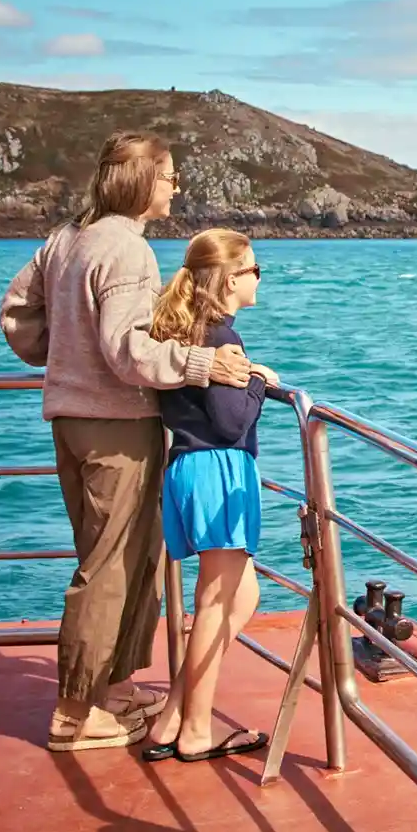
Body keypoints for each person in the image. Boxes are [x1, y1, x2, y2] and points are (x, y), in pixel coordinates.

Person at [0, 132, 253, 752]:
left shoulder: (65, 238)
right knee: (110, 566)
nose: (175, 187)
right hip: (115, 425)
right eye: (168, 177)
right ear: (142, 180)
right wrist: (202, 365)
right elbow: (127, 350)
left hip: (71, 418)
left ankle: (110, 688)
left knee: (120, 556)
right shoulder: (127, 250)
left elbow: (16, 314)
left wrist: (64, 358)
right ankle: (75, 713)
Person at [139, 229, 278, 763]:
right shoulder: (223, 339)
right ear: (231, 278)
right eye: (254, 270)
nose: (259, 279)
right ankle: (196, 731)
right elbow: (229, 422)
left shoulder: (183, 328)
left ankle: (174, 713)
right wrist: (260, 382)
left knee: (241, 598)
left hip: (186, 467)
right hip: (218, 468)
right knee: (217, 604)